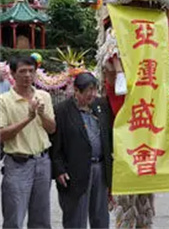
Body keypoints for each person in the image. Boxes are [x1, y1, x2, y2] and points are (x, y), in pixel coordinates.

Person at [51, 72, 112, 229]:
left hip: (100, 168)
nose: (92, 94)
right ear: (76, 91)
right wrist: (59, 170)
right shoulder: (62, 110)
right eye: (88, 90)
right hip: (75, 171)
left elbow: (108, 136)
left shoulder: (101, 106)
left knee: (100, 216)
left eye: (94, 89)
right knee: (76, 217)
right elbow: (55, 143)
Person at [0, 56, 56, 228]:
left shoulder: (43, 96)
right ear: (13, 73)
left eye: (31, 71)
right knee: (14, 218)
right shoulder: (4, 101)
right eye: (22, 71)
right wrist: (28, 118)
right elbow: (2, 135)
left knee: (41, 218)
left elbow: (52, 128)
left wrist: (41, 114)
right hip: (17, 164)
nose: (27, 75)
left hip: (42, 162)